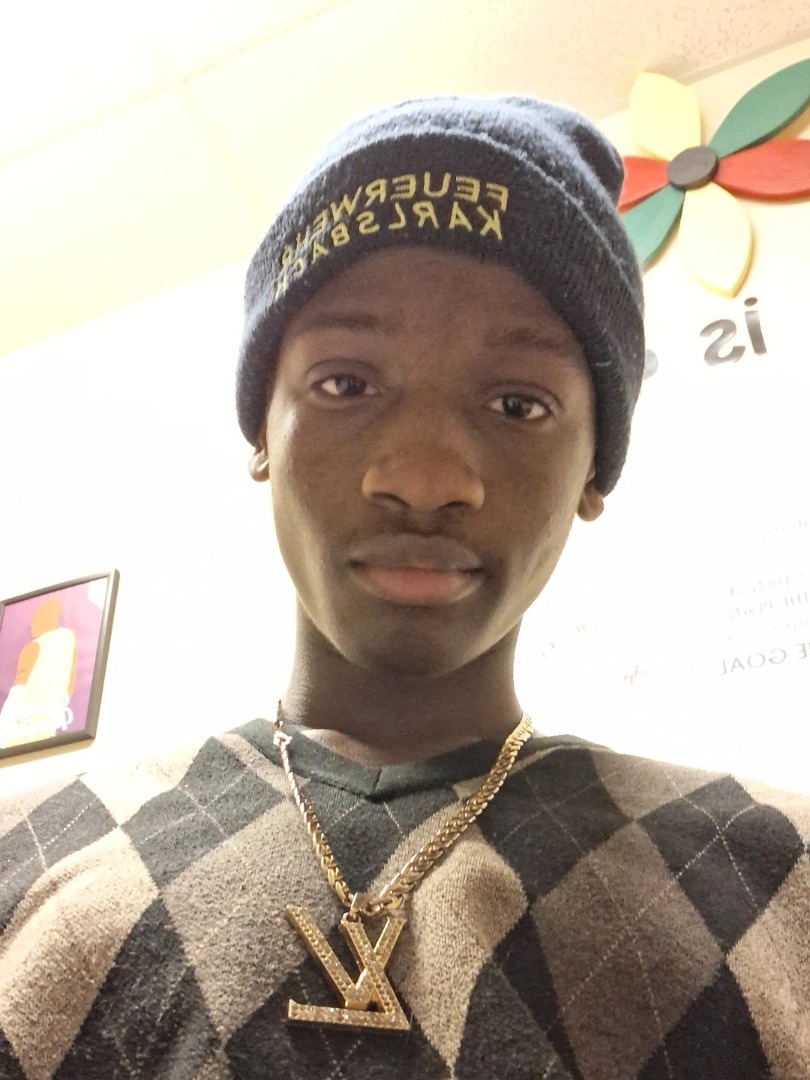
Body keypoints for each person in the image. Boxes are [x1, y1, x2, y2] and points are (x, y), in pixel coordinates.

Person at [0, 96, 807, 1080]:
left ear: (595, 470)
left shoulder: (775, 883)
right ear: (261, 431)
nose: (424, 479)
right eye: (345, 384)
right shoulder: (28, 854)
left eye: (517, 403)